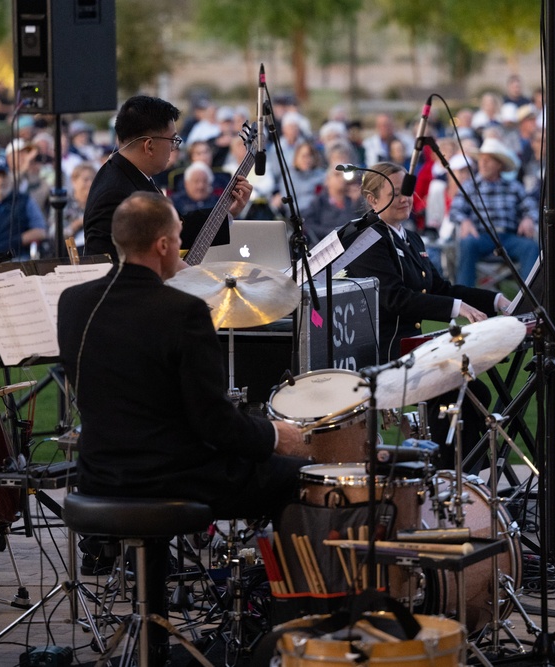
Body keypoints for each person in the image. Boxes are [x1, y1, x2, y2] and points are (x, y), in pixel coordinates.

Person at [56, 192, 306, 663]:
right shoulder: (183, 311)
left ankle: (161, 630)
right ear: (165, 246)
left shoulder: (73, 302)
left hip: (98, 476)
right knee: (292, 478)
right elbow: (214, 423)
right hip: (168, 477)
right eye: (178, 238)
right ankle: (289, 628)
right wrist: (277, 436)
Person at [343, 162, 510, 467]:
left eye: (406, 190)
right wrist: (457, 309)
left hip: (411, 348)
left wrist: (496, 300)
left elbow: (440, 287)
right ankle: (449, 477)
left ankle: (461, 476)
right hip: (383, 353)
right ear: (372, 199)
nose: (405, 198)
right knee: (464, 395)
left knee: (471, 394)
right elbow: (393, 298)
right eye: (394, 192)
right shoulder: (367, 239)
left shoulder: (409, 237)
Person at [81, 95, 251, 261]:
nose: (173, 148)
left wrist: (227, 211)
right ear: (149, 146)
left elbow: (176, 226)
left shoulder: (128, 172)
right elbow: (109, 269)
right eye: (172, 140)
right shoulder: (115, 192)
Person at [450, 137, 540, 287]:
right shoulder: (470, 186)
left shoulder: (514, 186)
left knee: (531, 247)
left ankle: (530, 299)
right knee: (466, 244)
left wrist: (528, 218)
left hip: (509, 237)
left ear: (499, 165)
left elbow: (531, 206)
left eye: (488, 160)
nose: (483, 163)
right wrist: (464, 220)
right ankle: (465, 297)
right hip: (481, 236)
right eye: (481, 159)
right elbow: (455, 210)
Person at [302, 165, 361, 244]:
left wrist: (357, 202)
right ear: (327, 180)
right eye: (337, 175)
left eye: (343, 175)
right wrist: (333, 233)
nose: (341, 178)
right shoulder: (319, 202)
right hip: (328, 244)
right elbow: (309, 225)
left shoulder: (353, 200)